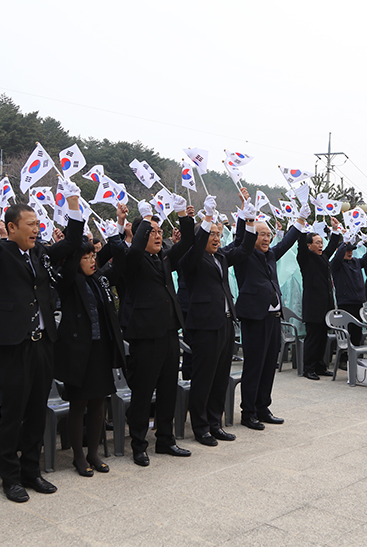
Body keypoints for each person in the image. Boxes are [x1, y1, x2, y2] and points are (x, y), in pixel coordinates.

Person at [0, 165, 67, 502]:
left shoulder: (39, 254)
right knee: (12, 413)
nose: (36, 229)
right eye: (30, 225)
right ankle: (10, 477)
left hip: (42, 343)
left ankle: (32, 470)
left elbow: (71, 243)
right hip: (13, 345)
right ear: (11, 227)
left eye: (37, 225)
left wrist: (72, 204)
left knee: (36, 409)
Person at [116, 197, 194, 465]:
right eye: (152, 232)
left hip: (169, 333)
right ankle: (139, 444)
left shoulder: (162, 259)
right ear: (140, 235)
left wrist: (183, 214)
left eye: (160, 232)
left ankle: (165, 439)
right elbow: (135, 248)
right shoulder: (133, 260)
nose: (159, 236)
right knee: (143, 391)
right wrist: (145, 219)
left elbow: (186, 243)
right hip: (145, 335)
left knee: (168, 389)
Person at [53, 184, 124, 476]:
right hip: (78, 353)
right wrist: (73, 214)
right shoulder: (68, 281)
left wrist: (119, 225)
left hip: (100, 351)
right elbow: (69, 260)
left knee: (98, 404)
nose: (92, 260)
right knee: (79, 405)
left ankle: (94, 453)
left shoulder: (98, 280)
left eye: (92, 256)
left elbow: (107, 254)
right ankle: (78, 457)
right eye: (86, 257)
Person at [179, 196, 253, 446]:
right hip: (203, 325)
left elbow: (243, 249)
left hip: (224, 322)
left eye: (218, 235)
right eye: (211, 235)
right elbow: (196, 246)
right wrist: (207, 220)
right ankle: (200, 428)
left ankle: (214, 422)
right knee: (204, 377)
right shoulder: (192, 260)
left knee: (221, 376)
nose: (216, 238)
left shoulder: (220, 257)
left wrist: (249, 221)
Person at [231, 200, 305, 428]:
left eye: (268, 235)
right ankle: (248, 412)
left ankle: (263, 407)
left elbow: (285, 243)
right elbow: (240, 239)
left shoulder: (271, 255)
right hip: (254, 318)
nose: (265, 238)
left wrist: (300, 221)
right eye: (261, 234)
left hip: (273, 318)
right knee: (254, 365)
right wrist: (246, 217)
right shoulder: (242, 256)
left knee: (269, 364)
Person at [297, 218, 342, 380]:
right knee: (313, 338)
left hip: (326, 305)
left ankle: (320, 366)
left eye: (321, 242)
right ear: (309, 245)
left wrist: (336, 230)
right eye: (317, 242)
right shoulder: (306, 258)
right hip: (313, 306)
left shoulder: (323, 257)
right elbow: (301, 247)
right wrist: (302, 230)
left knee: (322, 338)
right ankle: (308, 368)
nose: (320, 245)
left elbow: (331, 247)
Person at [330, 232, 366, 350]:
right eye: (347, 250)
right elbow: (337, 257)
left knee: (357, 333)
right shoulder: (336, 264)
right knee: (346, 332)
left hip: (358, 302)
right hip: (345, 303)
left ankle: (355, 356)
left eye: (351, 250)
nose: (350, 252)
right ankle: (344, 358)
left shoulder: (355, 262)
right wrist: (344, 243)